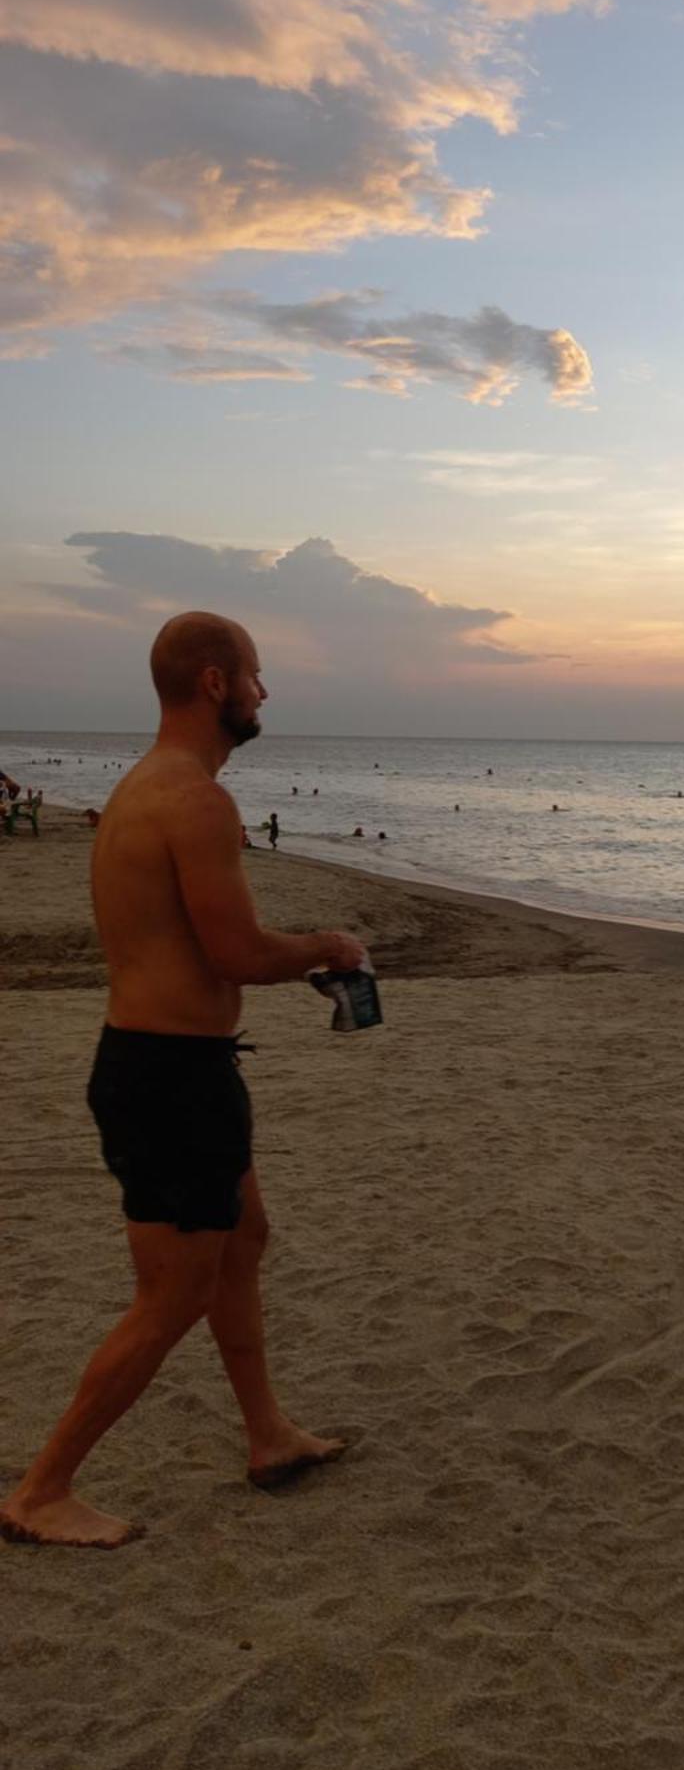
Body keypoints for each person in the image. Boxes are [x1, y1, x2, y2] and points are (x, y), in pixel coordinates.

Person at [0, 611, 367, 1549]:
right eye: (255, 675)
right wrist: (329, 946)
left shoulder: (143, 788)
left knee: (243, 1241)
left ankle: (268, 1436)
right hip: (168, 1082)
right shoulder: (197, 801)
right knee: (170, 1296)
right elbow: (237, 952)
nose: (263, 693)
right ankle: (41, 1491)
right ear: (215, 684)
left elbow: (200, 951)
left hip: (172, 1067)